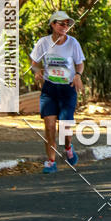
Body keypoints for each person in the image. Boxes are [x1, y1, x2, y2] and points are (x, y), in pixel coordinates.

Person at [30, 11, 85, 173]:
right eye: (61, 23)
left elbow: (80, 63)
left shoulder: (73, 43)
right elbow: (34, 62)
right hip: (50, 89)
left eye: (67, 24)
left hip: (68, 89)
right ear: (53, 24)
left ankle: (68, 147)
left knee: (65, 127)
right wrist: (36, 71)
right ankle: (51, 161)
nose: (65, 27)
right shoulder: (43, 43)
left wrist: (78, 75)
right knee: (49, 126)